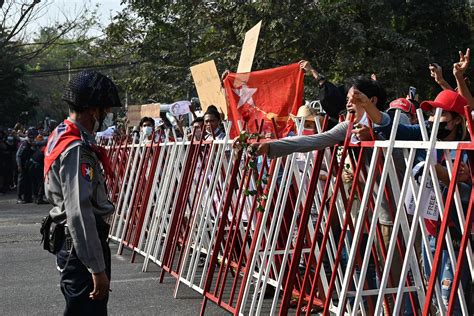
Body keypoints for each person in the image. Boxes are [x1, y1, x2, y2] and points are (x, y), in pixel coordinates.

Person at [44, 70, 120, 315]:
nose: (106, 117)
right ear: (92, 111)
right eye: (105, 111)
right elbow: (80, 213)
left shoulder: (61, 135)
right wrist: (97, 269)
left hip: (73, 246)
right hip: (81, 249)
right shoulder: (77, 149)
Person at [16, 127, 38, 203]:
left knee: (28, 181)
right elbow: (18, 155)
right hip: (22, 165)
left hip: (28, 165)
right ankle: (19, 197)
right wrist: (19, 165)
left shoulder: (32, 144)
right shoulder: (24, 143)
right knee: (21, 181)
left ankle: (27, 197)